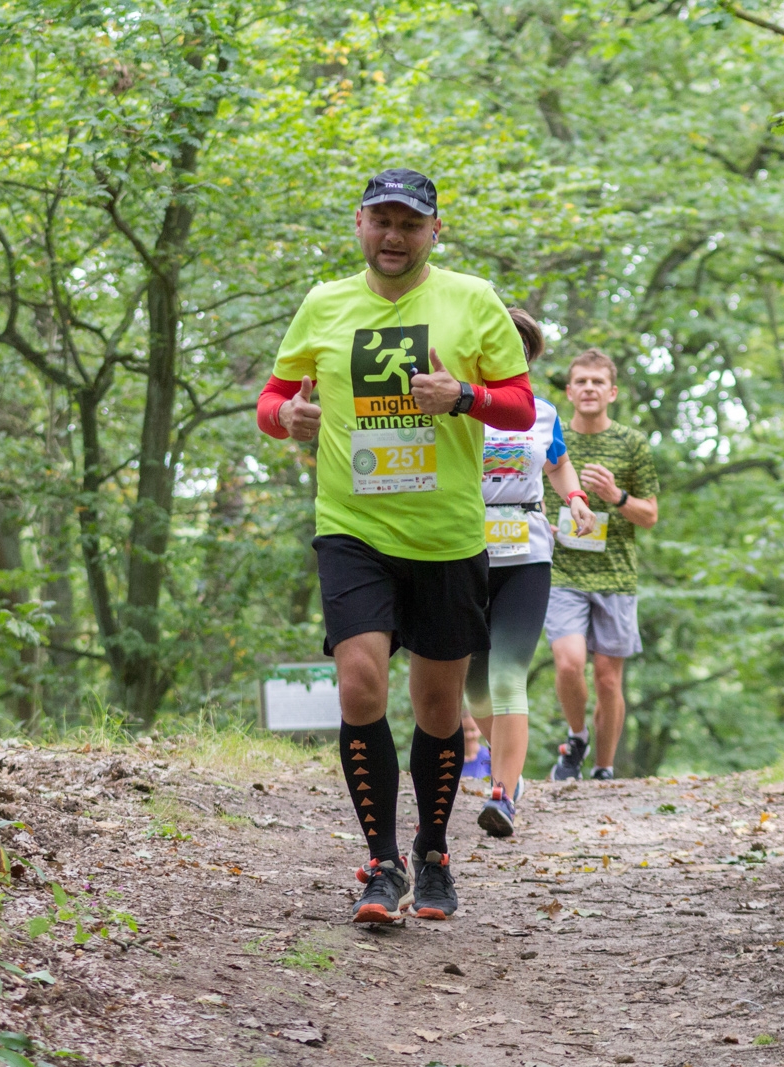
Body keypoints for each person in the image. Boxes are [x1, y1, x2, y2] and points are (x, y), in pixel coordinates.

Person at [256, 168, 534, 922]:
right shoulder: (324, 304)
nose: (392, 237)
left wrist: (464, 396)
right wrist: (288, 419)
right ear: (358, 224)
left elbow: (521, 403)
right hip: (353, 526)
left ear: (434, 231)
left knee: (439, 704)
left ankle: (433, 851)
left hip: (444, 532)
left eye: (409, 224)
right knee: (359, 683)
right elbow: (274, 398)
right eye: (380, 221)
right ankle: (381, 862)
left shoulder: (472, 300)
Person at [465, 308, 596, 837]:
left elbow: (557, 461)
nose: (507, 354)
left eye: (518, 347)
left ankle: (502, 793)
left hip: (526, 556)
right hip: (462, 553)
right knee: (474, 691)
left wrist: (577, 498)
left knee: (505, 676)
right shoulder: (456, 406)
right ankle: (511, 771)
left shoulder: (542, 412)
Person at [544, 350, 659, 781]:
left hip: (616, 575)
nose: (589, 388)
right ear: (569, 391)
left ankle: (604, 769)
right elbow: (531, 494)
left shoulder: (632, 443)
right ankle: (577, 738)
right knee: (569, 662)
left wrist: (616, 496)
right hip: (562, 572)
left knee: (609, 681)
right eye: (581, 382)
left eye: (597, 382)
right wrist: (542, 524)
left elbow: (650, 515)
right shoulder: (551, 437)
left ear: (611, 392)